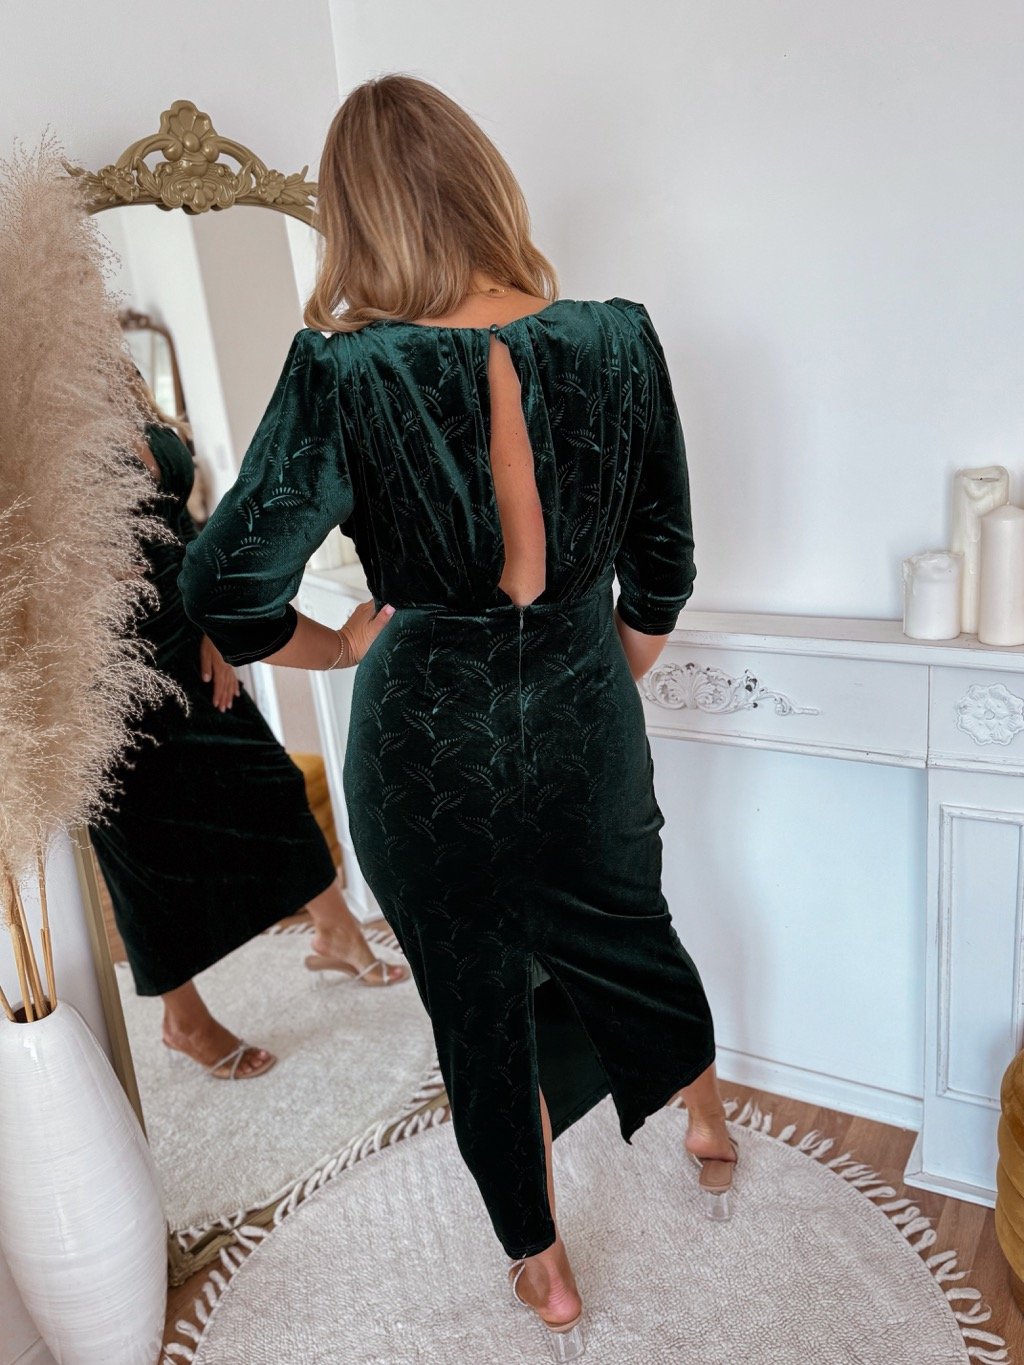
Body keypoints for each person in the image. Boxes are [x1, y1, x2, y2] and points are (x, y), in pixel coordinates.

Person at [179, 73, 735, 1355]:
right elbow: (663, 565)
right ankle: (704, 1122)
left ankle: (545, 1273)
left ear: (356, 216)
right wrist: (596, 687)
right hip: (585, 712)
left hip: (424, 742)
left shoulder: (343, 370)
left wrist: (340, 645)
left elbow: (224, 586)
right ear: (486, 184)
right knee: (633, 934)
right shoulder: (617, 339)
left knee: (476, 1009)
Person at [90, 371, 408, 1083]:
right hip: (110, 667)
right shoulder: (34, 408)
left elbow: (185, 523)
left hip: (187, 626)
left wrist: (211, 619)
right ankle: (183, 1016)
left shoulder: (118, 380)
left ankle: (336, 930)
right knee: (144, 846)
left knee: (270, 781)